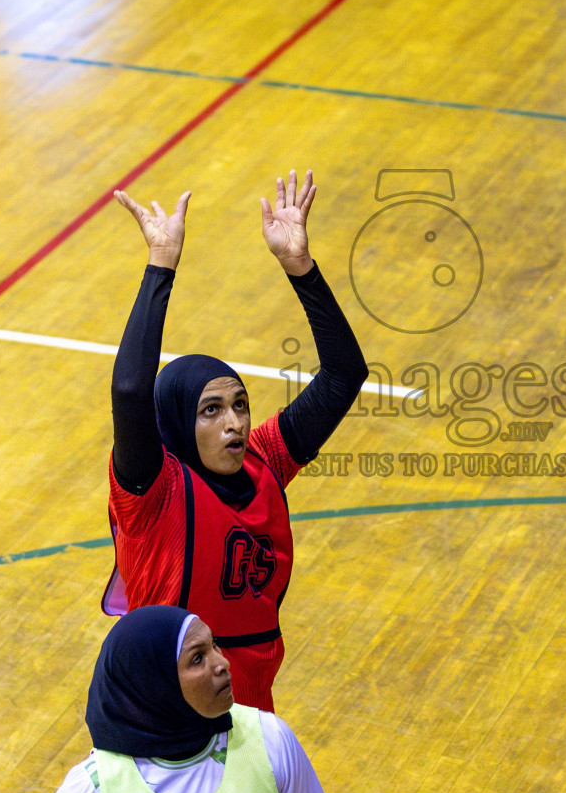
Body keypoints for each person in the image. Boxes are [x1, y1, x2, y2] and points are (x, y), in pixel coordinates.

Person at [102, 169, 367, 712]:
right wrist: (161, 265)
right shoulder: (152, 495)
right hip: (171, 722)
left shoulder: (262, 460)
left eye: (240, 405)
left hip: (251, 717)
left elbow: (344, 375)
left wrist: (301, 269)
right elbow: (131, 389)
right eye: (211, 410)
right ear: (177, 423)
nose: (235, 424)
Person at [42, 605, 335, 793]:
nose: (222, 663)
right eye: (197, 658)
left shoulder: (269, 738)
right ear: (156, 685)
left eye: (214, 645)